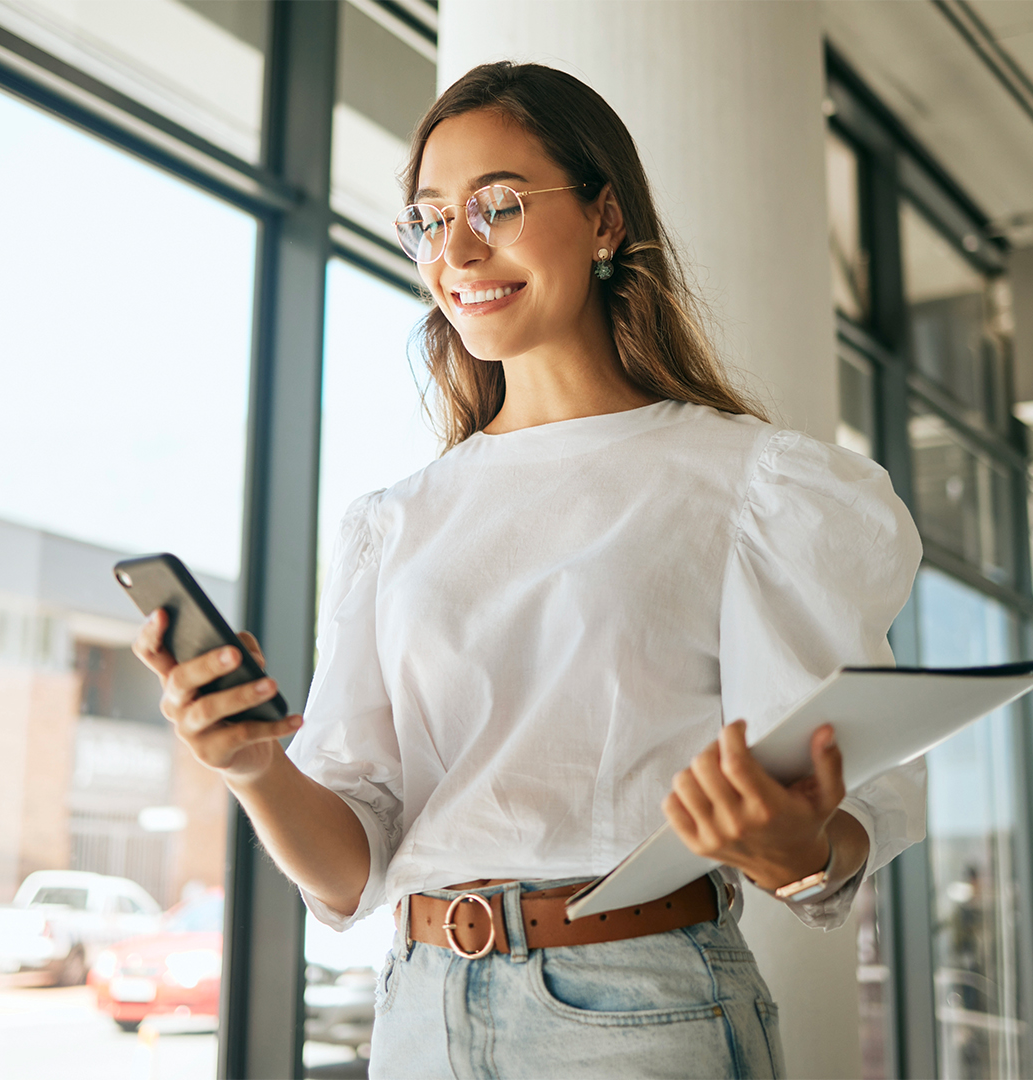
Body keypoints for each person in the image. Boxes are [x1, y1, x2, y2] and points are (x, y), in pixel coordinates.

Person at [134, 61, 924, 1079]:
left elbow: (858, 792)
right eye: (427, 219)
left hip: (641, 1003)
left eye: (496, 206)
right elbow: (350, 866)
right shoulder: (396, 521)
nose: (455, 250)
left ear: (605, 219)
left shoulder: (753, 485)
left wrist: (803, 849)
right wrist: (251, 768)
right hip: (419, 1007)